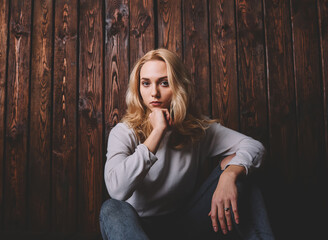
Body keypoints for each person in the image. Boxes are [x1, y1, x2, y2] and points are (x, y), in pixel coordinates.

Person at [99, 48, 274, 240]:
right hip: (137, 228)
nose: (154, 93)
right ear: (138, 89)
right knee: (112, 208)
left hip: (184, 227)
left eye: (164, 83)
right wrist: (157, 132)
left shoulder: (197, 130)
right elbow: (117, 190)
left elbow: (255, 147)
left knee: (241, 173)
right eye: (146, 83)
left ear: (178, 87)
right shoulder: (124, 132)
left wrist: (230, 174)